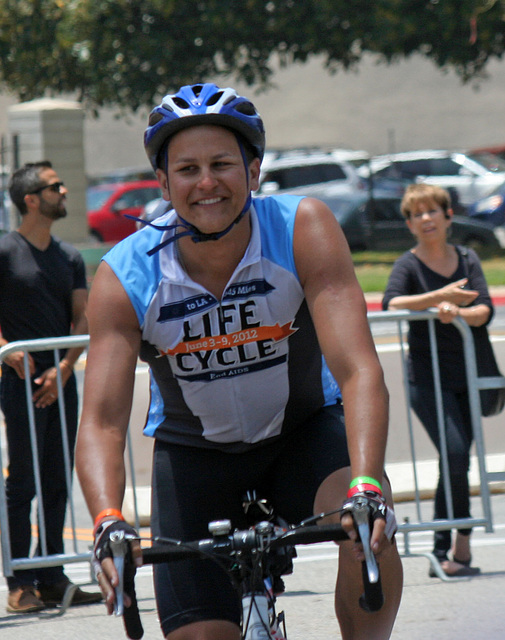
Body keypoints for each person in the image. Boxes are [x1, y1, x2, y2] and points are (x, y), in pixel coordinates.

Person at [76, 83, 403, 640]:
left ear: (253, 171)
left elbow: (358, 369)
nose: (206, 182)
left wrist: (368, 484)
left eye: (222, 164)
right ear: (163, 182)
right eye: (187, 169)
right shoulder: (125, 273)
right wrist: (108, 520)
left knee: (365, 534)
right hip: (195, 456)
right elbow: (103, 420)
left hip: (304, 434)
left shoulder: (303, 227)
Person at [0, 161, 102, 612]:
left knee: (58, 478)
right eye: (54, 186)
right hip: (16, 381)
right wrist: (7, 348)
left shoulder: (70, 256)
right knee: (23, 481)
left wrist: (65, 369)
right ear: (31, 199)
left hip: (60, 382)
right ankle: (18, 581)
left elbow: (82, 317)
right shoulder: (5, 252)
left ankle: (53, 576)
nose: (64, 191)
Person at [382, 183, 489, 578]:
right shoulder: (407, 265)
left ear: (448, 216)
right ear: (410, 223)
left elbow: (484, 308)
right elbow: (391, 302)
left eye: (432, 211)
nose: (425, 219)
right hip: (426, 379)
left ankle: (445, 549)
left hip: (470, 376)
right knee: (457, 454)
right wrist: (436, 298)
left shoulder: (467, 257)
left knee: (454, 461)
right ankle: (460, 541)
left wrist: (459, 313)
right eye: (416, 214)